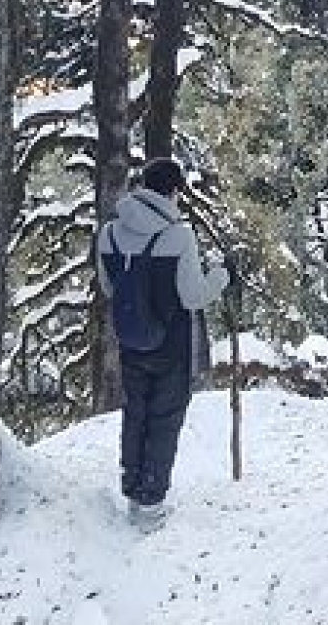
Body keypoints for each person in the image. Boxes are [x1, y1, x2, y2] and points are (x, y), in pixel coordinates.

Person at [96, 158, 229, 526]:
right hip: (170, 344)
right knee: (164, 418)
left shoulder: (109, 233)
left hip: (130, 340)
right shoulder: (178, 235)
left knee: (135, 414)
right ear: (173, 191)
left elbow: (109, 287)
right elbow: (192, 296)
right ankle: (151, 502)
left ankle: (132, 489)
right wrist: (221, 277)